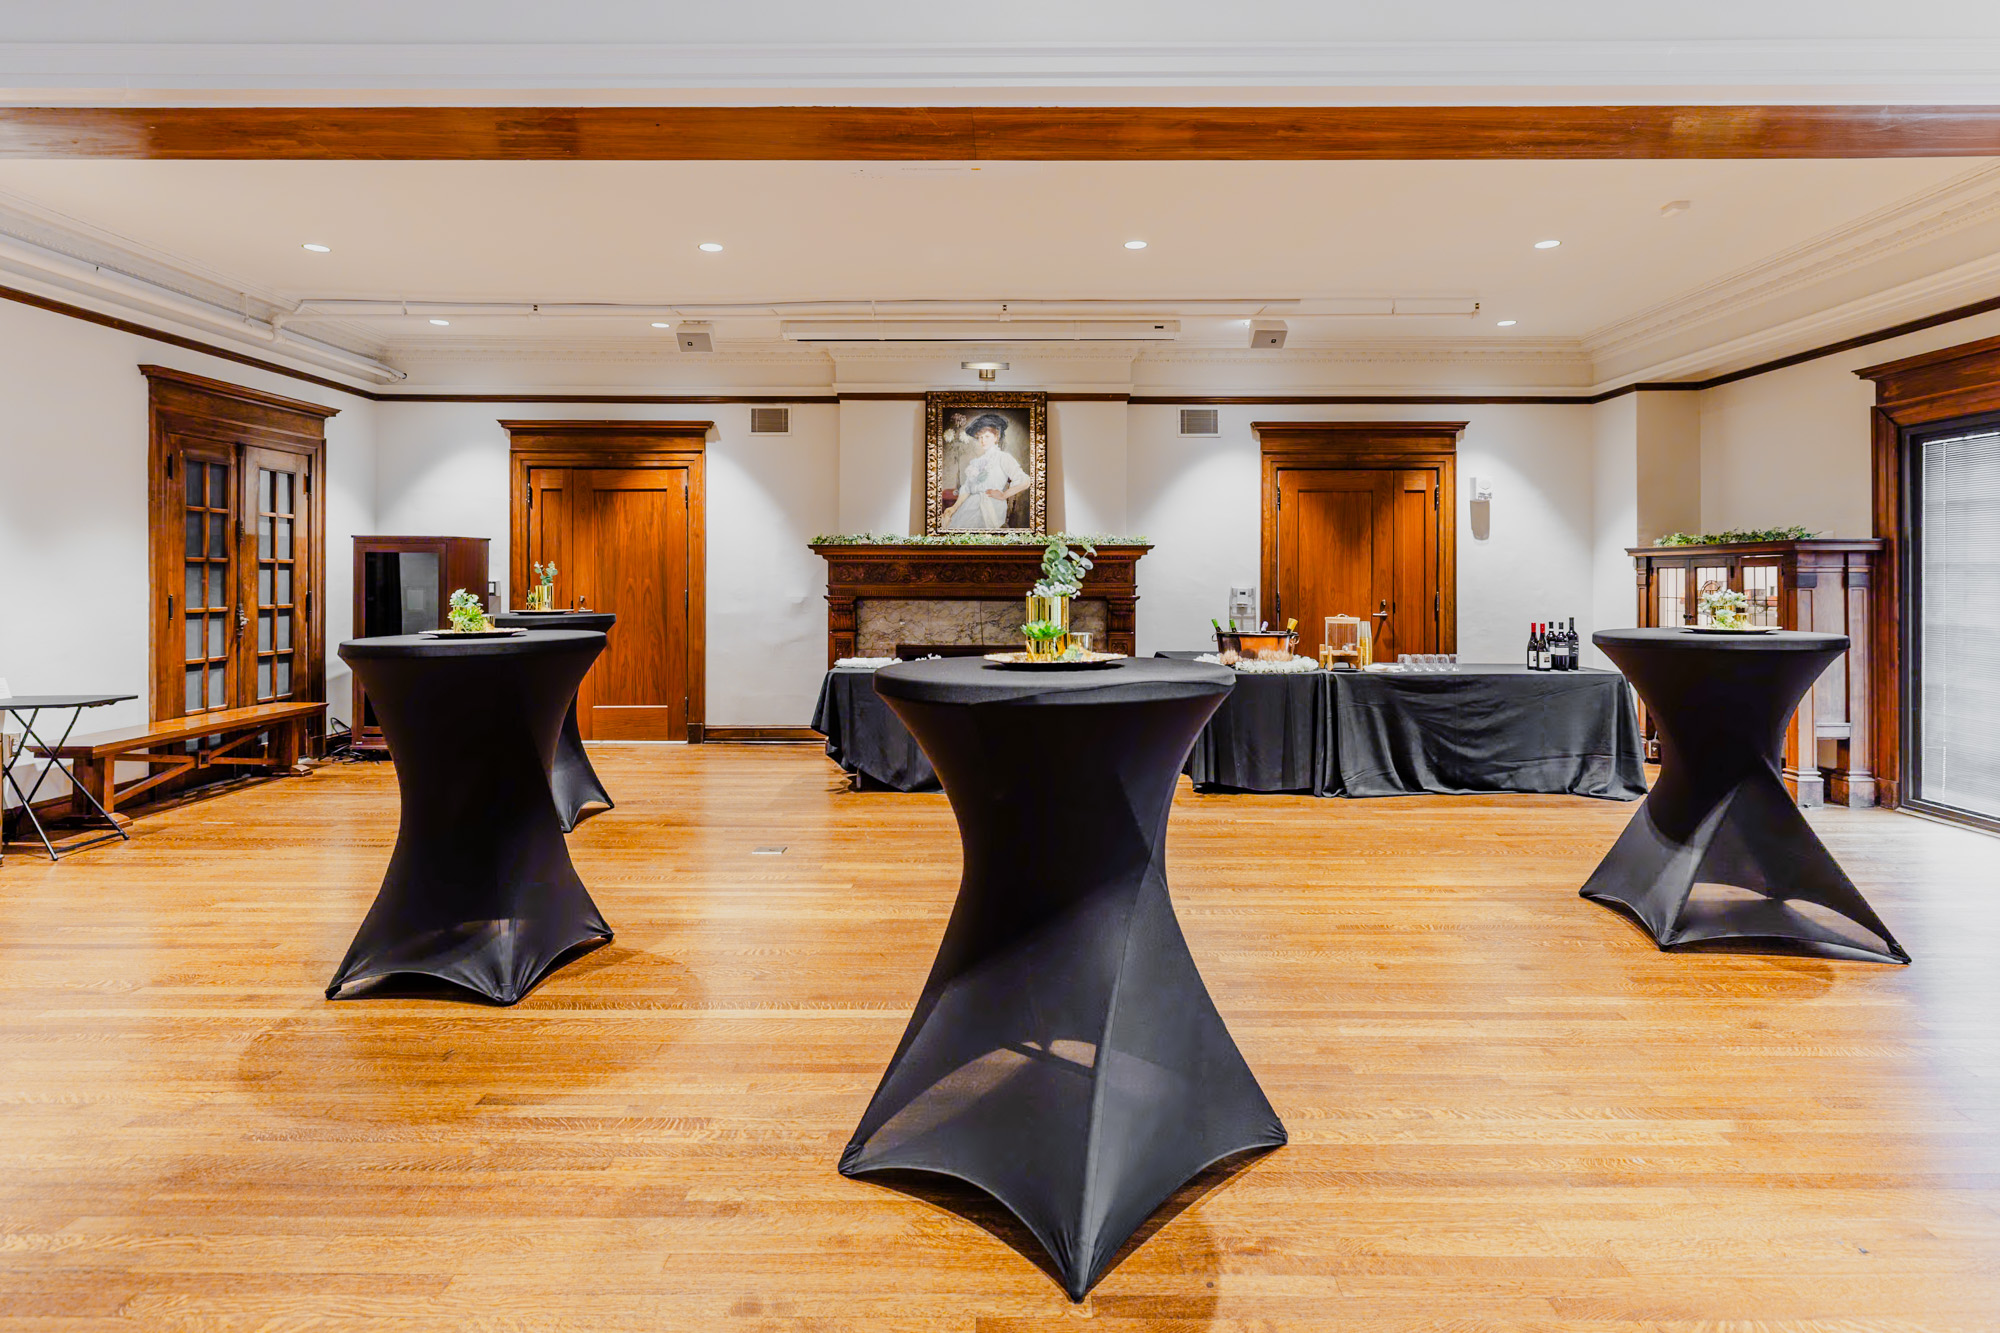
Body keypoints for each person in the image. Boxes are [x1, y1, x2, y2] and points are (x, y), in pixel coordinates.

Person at [940, 413, 1030, 530]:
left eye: (987, 436)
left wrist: (1003, 495)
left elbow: (1025, 481)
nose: (983, 441)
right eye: (980, 437)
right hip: (970, 505)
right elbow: (967, 488)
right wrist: (954, 507)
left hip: (991, 507)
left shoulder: (1003, 458)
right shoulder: (976, 462)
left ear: (996, 437)